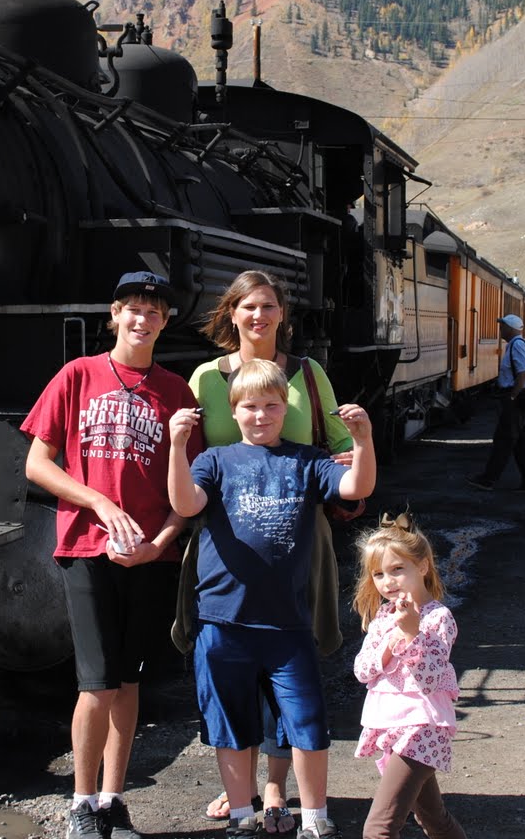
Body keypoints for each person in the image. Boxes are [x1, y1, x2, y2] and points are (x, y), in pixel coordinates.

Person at [22, 271, 202, 839]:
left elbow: (190, 490)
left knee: (127, 683)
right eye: (133, 309)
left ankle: (112, 800)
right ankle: (80, 803)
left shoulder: (175, 391)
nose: (143, 319)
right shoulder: (77, 376)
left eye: (154, 311)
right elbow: (38, 464)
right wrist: (98, 502)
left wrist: (160, 544)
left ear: (166, 322)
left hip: (149, 558)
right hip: (86, 548)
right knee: (95, 683)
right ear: (114, 314)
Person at [168, 360, 376, 839]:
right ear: (233, 410)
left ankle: (315, 819)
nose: (260, 415)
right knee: (231, 727)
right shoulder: (215, 461)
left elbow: (356, 487)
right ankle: (242, 815)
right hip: (223, 621)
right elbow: (185, 504)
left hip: (287, 625)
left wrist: (362, 442)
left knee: (307, 723)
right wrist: (177, 446)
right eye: (249, 406)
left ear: (286, 408)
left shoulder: (306, 460)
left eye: (270, 406)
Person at [189, 270, 353, 832]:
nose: (258, 316)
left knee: (292, 664)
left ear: (283, 313)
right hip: (226, 539)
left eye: (268, 306)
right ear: (231, 313)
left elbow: (340, 446)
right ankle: (239, 796)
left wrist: (353, 461)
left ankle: (278, 787)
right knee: (231, 665)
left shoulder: (308, 374)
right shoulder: (208, 378)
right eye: (247, 307)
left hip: (297, 532)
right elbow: (187, 455)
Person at [351, 514, 467, 839]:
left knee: (378, 829)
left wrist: (413, 633)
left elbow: (430, 678)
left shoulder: (438, 618)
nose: (388, 581)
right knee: (433, 817)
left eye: (397, 569)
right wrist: (389, 645)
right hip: (391, 726)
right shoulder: (382, 619)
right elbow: (362, 671)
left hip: (422, 729)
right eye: (378, 574)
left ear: (423, 567)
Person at [466, 314, 525, 494]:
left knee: (504, 440)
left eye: (503, 326)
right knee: (522, 442)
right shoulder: (522, 345)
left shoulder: (516, 345)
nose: (501, 329)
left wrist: (513, 396)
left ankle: (488, 480)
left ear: (511, 328)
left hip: (516, 398)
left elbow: (523, 373)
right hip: (524, 397)